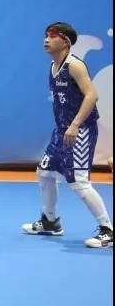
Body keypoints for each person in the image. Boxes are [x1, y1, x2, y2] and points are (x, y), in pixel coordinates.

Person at [21, 22, 112, 248]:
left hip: (80, 131)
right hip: (61, 131)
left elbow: (92, 95)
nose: (46, 40)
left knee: (79, 182)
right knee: (44, 173)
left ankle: (107, 230)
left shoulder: (75, 65)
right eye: (45, 36)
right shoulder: (53, 66)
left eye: (52, 36)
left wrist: (75, 125)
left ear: (65, 42)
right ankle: (50, 222)